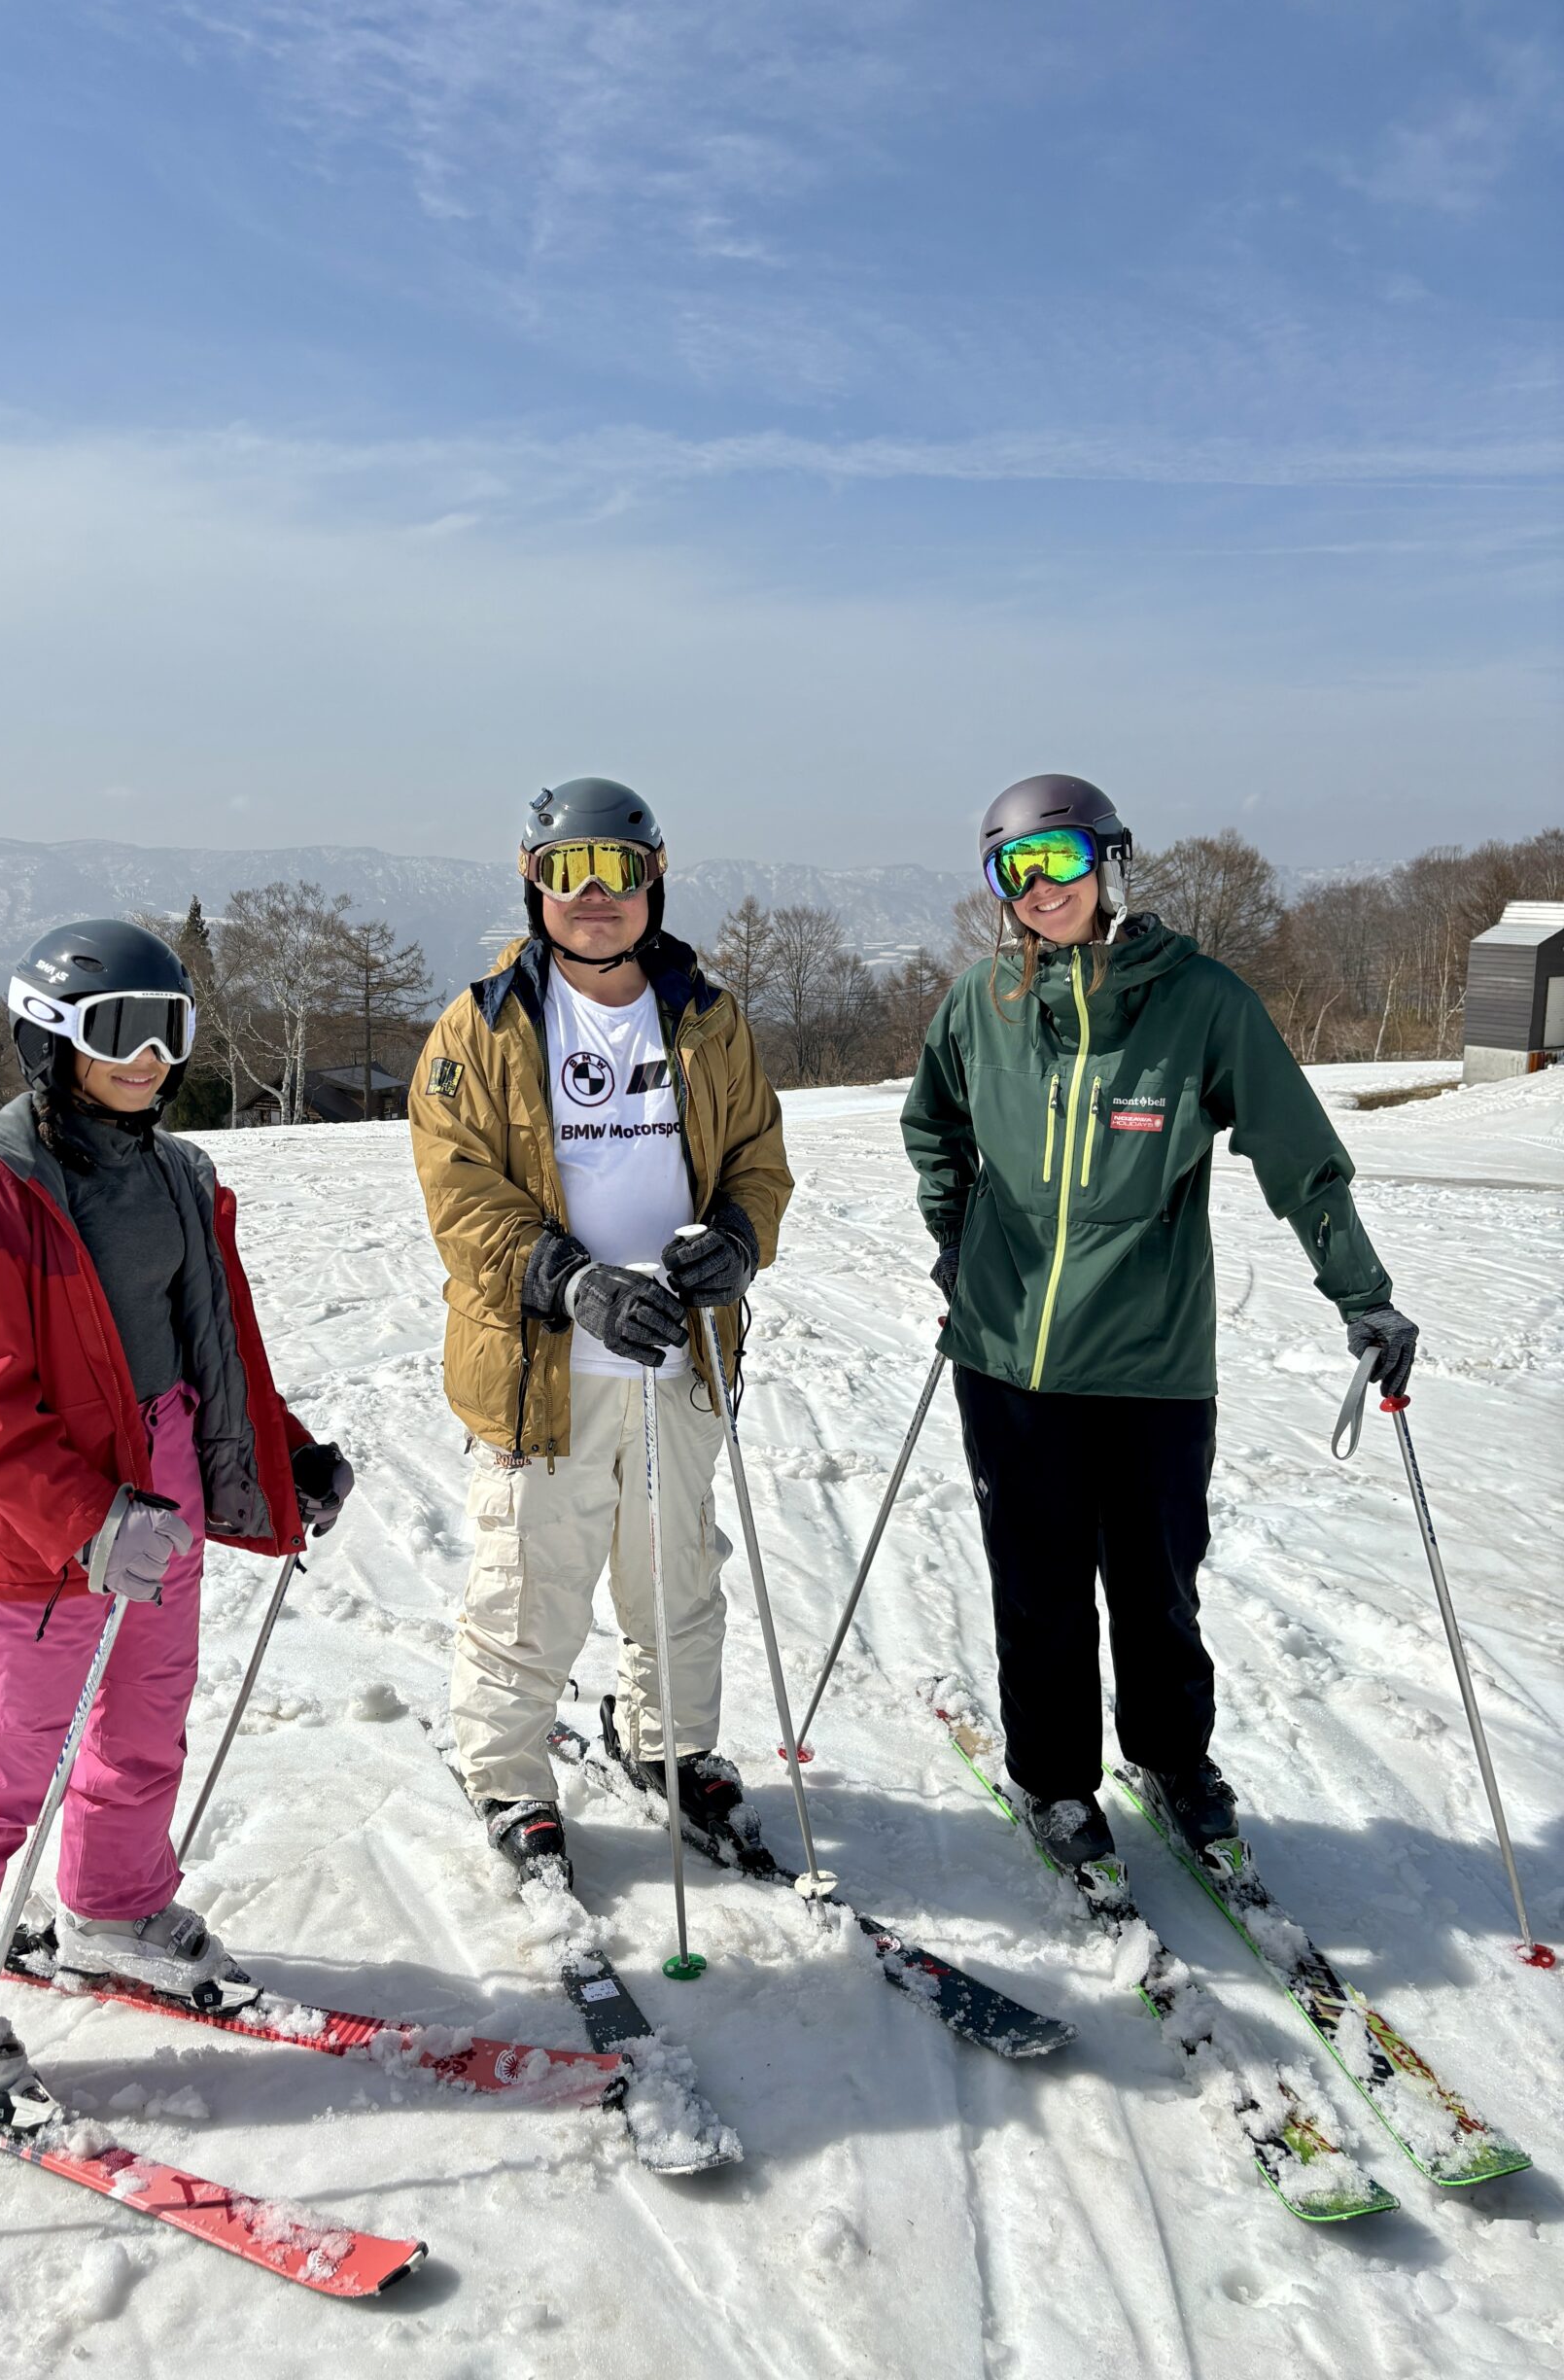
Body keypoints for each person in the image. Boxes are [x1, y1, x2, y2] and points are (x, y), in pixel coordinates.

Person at [0, 921, 352, 2119]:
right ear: (52, 1035)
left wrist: (286, 1455)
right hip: (51, 1517)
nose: (150, 1058)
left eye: (168, 1031)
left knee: (146, 1717)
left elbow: (213, 1348)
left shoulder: (177, 1174)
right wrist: (84, 1519)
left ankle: (113, 1905)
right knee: (5, 1768)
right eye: (120, 1030)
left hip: (162, 1483)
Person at [903, 776, 1417, 1868]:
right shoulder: (979, 1003)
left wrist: (1360, 1291)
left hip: (1152, 1358)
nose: (1041, 888)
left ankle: (1173, 1757)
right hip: (1008, 1356)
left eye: (1061, 860)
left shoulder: (1201, 1001)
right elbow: (933, 1122)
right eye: (1014, 870)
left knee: (1157, 1579)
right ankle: (1054, 1783)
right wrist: (956, 1239)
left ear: (1109, 862)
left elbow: (1296, 1151)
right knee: (1039, 1588)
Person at [409, 779, 793, 1888]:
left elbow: (759, 1157)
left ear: (654, 875)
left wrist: (735, 1237)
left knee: (674, 1575)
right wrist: (569, 1282)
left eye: (616, 871)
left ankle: (671, 1746)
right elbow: (461, 1191)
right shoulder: (479, 1027)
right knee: (531, 1582)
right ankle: (509, 1778)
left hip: (678, 1356)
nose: (593, 896)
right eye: (566, 871)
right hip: (546, 1366)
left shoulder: (708, 1018)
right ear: (531, 879)